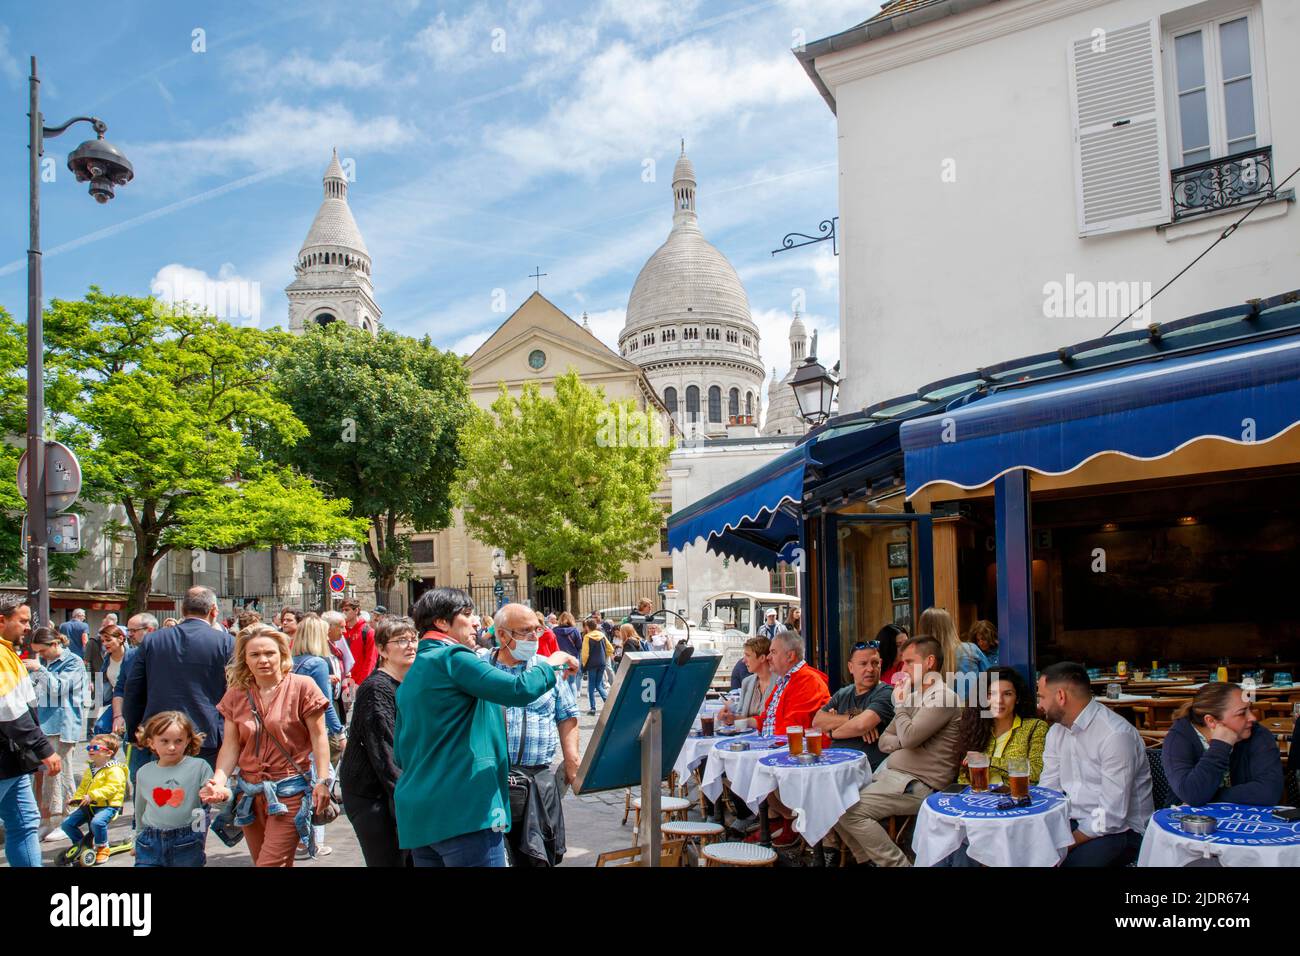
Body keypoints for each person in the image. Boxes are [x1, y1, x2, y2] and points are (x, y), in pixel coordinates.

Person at [393, 590, 579, 867]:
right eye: (467, 615)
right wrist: (553, 662)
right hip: (464, 811)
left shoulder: (416, 670)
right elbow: (518, 689)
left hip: (421, 815)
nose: (477, 623)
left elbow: (400, 752)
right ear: (442, 623)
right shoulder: (453, 657)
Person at [201, 624, 333, 866]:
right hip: (248, 794)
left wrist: (323, 781)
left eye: (269, 653)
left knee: (270, 864)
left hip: (289, 791)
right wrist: (218, 780)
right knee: (264, 861)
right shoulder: (236, 694)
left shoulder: (303, 686)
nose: (263, 660)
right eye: (255, 654)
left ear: (282, 654)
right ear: (245, 659)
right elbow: (231, 746)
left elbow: (319, 737)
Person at [834, 636, 963, 867]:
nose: (901, 669)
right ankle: (867, 860)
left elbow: (909, 736)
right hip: (894, 778)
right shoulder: (914, 697)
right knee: (832, 800)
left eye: (908, 662)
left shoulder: (943, 697)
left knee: (847, 811)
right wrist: (905, 739)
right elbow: (885, 741)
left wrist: (902, 714)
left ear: (929, 662)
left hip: (919, 784)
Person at [1037, 661, 1153, 867]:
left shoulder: (1115, 735)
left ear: (1061, 696)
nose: (1039, 705)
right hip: (1073, 820)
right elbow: (1048, 790)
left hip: (1122, 831)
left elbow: (1112, 816)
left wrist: (1064, 847)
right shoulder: (1056, 731)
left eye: (1042, 697)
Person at [491, 603, 580, 866]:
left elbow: (567, 714)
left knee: (540, 855)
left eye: (536, 630)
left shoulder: (547, 667)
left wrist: (572, 760)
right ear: (502, 634)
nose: (533, 637)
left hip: (539, 779)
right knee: (498, 855)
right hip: (495, 780)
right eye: (525, 631)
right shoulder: (482, 668)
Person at [123, 586, 234, 769]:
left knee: (163, 792)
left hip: (161, 733)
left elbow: (134, 689)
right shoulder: (226, 642)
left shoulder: (153, 640)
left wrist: (135, 730)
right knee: (204, 791)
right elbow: (234, 691)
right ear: (213, 610)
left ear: (183, 610)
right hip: (207, 733)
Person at [340, 616, 417, 867]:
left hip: (396, 788)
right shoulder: (376, 688)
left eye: (413, 639)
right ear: (382, 650)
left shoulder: (408, 683)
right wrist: (406, 797)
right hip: (371, 793)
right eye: (401, 640)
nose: (410, 645)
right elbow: (383, 748)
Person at [0, 598, 61, 866]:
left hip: (13, 757)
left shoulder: (7, 653)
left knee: (25, 823)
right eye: (22, 621)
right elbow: (9, 709)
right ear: (2, 621)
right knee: (24, 824)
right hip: (7, 753)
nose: (27, 628)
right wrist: (43, 748)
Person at [1162, 682, 1282, 806]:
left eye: (1250, 709)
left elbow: (1269, 792)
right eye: (1242, 713)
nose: (1252, 718)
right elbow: (1192, 793)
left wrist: (1209, 796)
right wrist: (1220, 746)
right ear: (1211, 721)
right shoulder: (1179, 738)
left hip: (1249, 820)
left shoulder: (1258, 734)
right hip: (1184, 821)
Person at [292, 616, 349, 857]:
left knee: (301, 784)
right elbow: (324, 704)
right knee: (321, 782)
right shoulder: (317, 663)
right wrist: (339, 731)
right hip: (314, 731)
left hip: (294, 731)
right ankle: (310, 841)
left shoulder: (293, 661)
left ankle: (300, 840)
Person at [26, 627, 87, 840]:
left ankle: (67, 820)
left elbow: (58, 688)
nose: (40, 656)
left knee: (63, 774)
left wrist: (39, 669)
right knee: (44, 776)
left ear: (54, 644)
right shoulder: (44, 663)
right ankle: (47, 820)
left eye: (42, 651)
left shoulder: (74, 662)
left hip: (63, 724)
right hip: (43, 723)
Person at [132, 711, 212, 867]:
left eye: (178, 740)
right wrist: (138, 837)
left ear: (188, 741)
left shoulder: (199, 767)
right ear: (151, 742)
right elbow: (140, 808)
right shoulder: (143, 772)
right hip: (149, 841)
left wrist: (219, 795)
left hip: (187, 841)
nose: (172, 747)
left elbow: (221, 801)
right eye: (164, 741)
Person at [954, 666, 1048, 785]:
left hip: (1015, 800)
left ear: (1017, 698)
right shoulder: (976, 729)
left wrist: (989, 761)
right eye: (991, 694)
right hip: (979, 800)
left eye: (1007, 694)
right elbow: (963, 778)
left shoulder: (1035, 727)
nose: (999, 700)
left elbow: (1036, 772)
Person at [814, 640, 897, 770]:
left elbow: (861, 725)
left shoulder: (887, 693)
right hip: (832, 767)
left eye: (875, 663)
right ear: (851, 667)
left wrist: (831, 733)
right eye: (863, 664)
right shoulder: (843, 694)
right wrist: (853, 718)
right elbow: (817, 722)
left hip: (864, 773)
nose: (870, 669)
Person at [60, 733, 128, 863]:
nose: (91, 750)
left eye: (95, 748)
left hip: (108, 806)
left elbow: (112, 788)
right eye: (89, 747)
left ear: (109, 753)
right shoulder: (90, 769)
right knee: (67, 825)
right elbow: (83, 787)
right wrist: (77, 799)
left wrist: (92, 795)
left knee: (97, 822)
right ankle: (82, 846)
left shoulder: (115, 770)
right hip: (89, 805)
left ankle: (102, 846)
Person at [753, 631, 830, 738]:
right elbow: (766, 721)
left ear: (790, 656)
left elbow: (792, 728)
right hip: (774, 746)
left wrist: (763, 747)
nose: (768, 657)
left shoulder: (809, 680)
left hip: (791, 750)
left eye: (773, 652)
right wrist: (736, 721)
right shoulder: (784, 680)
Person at [717, 636, 774, 731]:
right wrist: (729, 716)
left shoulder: (780, 683)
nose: (743, 660)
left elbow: (772, 720)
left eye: (748, 655)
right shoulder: (747, 682)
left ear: (762, 658)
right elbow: (740, 715)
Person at [94, 625, 133, 735]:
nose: (105, 644)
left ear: (120, 639)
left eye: (108, 640)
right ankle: (105, 752)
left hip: (134, 700)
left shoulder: (133, 656)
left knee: (131, 738)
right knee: (100, 728)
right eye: (102, 641)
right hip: (118, 699)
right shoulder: (107, 658)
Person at [916, 607, 964, 681]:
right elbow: (987, 680)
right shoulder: (970, 650)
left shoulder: (917, 658)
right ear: (950, 626)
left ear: (922, 629)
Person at [580, 618, 614, 715]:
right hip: (602, 662)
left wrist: (584, 664)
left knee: (591, 685)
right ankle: (608, 705)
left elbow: (585, 653)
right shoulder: (602, 635)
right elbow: (610, 648)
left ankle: (593, 708)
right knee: (599, 685)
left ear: (587, 627)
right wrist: (605, 655)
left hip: (592, 664)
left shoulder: (587, 637)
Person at [341, 599, 378, 687]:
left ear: (356, 610)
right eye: (342, 610)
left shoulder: (368, 632)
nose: (344, 613)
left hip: (359, 683)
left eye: (347, 610)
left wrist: (360, 684)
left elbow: (370, 661)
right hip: (343, 683)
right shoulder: (341, 630)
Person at [552, 612, 583, 699]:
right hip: (572, 660)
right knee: (571, 682)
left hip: (559, 660)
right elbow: (579, 646)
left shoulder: (554, 631)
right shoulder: (575, 630)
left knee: (560, 681)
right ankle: (573, 703)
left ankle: (562, 702)